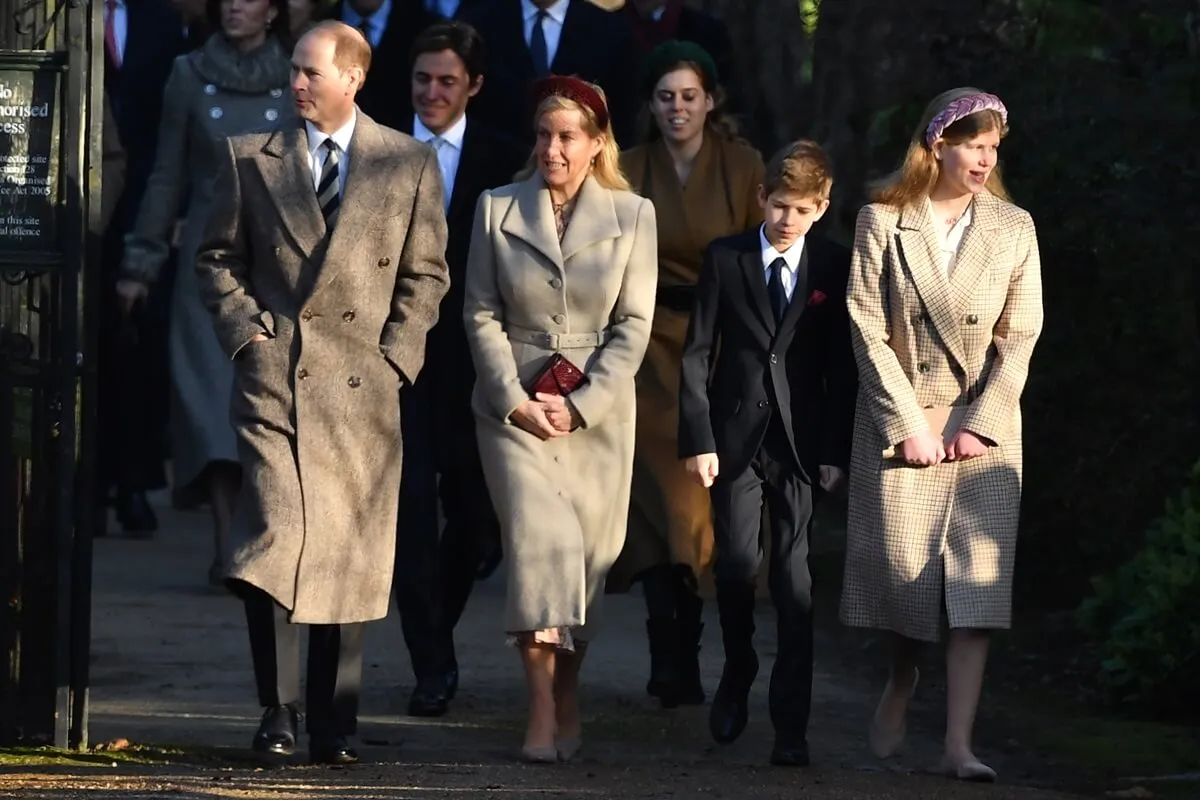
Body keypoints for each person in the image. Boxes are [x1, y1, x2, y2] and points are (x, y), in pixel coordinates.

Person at [194, 20, 450, 765]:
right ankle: (278, 711)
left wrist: (396, 358)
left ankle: (334, 723)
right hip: (277, 381)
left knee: (346, 552)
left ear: (353, 78)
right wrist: (247, 335)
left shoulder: (407, 163)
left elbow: (426, 274)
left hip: (362, 390)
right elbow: (215, 258)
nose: (295, 83)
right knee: (273, 540)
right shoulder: (250, 158)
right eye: (295, 71)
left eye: (310, 71)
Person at [841, 88, 1043, 783]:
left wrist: (981, 424)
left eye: (993, 147)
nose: (984, 158)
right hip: (904, 422)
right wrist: (907, 422)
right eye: (972, 144)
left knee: (977, 594)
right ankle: (903, 676)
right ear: (938, 146)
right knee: (907, 584)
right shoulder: (882, 220)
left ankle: (959, 744)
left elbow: (1021, 336)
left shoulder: (1015, 228)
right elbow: (867, 327)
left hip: (986, 432)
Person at [463, 75, 657, 762]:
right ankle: (541, 712)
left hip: (599, 412)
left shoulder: (634, 216)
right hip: (512, 409)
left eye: (567, 137)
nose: (552, 148)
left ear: (597, 143)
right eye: (543, 135)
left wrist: (580, 405)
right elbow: (479, 311)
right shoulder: (496, 208)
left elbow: (634, 326)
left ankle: (568, 688)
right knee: (541, 545)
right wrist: (513, 398)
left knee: (588, 565)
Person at [678, 139, 855, 766]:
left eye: (801, 209)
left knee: (793, 577)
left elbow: (840, 366)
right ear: (761, 198)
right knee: (733, 565)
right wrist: (699, 438)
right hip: (734, 442)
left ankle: (791, 722)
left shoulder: (832, 268)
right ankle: (737, 666)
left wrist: (835, 449)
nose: (786, 220)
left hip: (801, 446)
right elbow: (699, 352)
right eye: (778, 206)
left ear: (822, 207)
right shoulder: (726, 259)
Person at [116, 0, 294, 585]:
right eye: (226, 0)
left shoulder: (300, 73)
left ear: (272, 11)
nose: (233, 8)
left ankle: (262, 533)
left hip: (276, 258)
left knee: (265, 399)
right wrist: (141, 261)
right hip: (206, 258)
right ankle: (228, 540)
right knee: (209, 404)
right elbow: (167, 173)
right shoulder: (188, 74)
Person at [610, 39, 762, 709]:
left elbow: (765, 258)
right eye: (666, 96)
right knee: (653, 500)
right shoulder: (624, 167)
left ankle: (702, 644)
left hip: (720, 347)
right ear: (650, 104)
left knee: (702, 506)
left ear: (711, 101)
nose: (678, 107)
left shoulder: (744, 166)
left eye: (689, 96)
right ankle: (666, 645)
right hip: (643, 349)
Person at [391, 20, 527, 719]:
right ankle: (431, 664)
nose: (432, 92)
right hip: (397, 363)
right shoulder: (377, 152)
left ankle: (434, 627)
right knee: (411, 510)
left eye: (447, 81)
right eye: (422, 79)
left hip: (479, 362)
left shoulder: (505, 160)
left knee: (475, 521)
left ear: (473, 85)